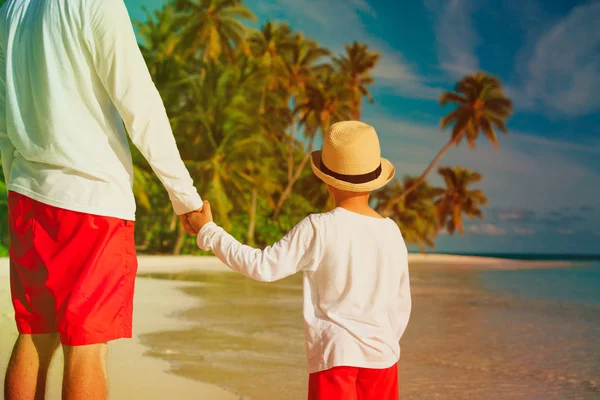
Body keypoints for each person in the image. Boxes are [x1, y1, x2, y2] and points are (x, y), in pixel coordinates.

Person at [0, 0, 202, 398]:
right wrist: (186, 198)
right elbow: (139, 104)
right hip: (91, 201)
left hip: (29, 195)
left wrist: (17, 180)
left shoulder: (12, 6)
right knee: (87, 347)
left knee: (34, 335)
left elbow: (6, 113)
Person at [188, 121, 412, 400]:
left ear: (327, 180)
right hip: (384, 359)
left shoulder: (319, 227)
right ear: (375, 179)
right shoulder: (391, 231)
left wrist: (209, 232)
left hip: (335, 357)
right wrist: (383, 342)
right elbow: (401, 304)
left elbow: (262, 266)